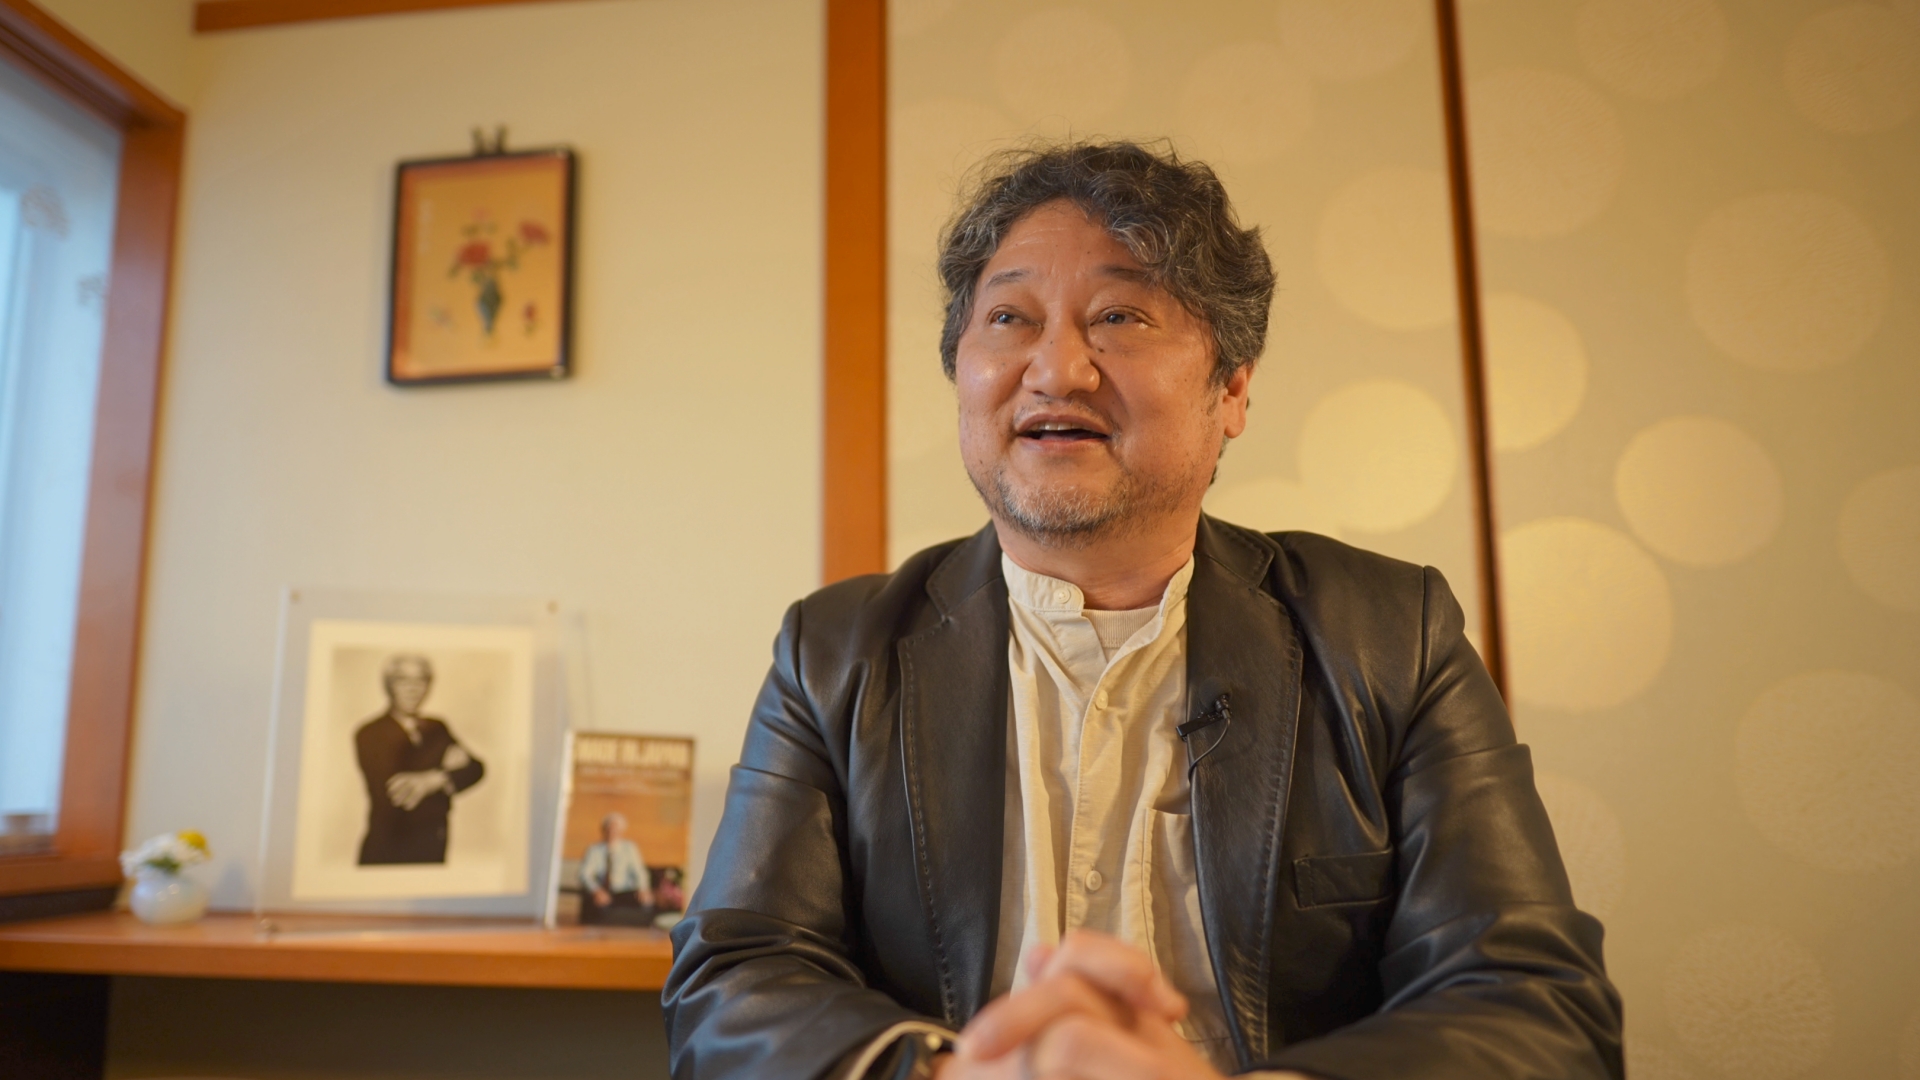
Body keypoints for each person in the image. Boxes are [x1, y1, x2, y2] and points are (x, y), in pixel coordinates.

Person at [664, 142, 1622, 1079]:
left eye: (1119, 316)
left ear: (1232, 388)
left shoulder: (1391, 635)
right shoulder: (836, 653)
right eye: (1009, 318)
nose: (1056, 370)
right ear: (961, 370)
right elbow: (732, 979)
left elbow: (1535, 1006)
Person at [355, 654, 486, 865]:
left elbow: (476, 768)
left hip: (435, 845)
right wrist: (445, 771)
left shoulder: (438, 727)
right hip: (388, 851)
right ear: (389, 685)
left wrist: (432, 779)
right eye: (403, 680)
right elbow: (396, 791)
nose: (412, 689)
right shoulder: (369, 733)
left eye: (420, 680)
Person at [579, 811, 656, 926]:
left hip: (624, 892)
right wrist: (596, 890)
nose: (612, 832)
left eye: (615, 829)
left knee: (646, 904)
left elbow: (639, 871)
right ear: (604, 830)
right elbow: (584, 874)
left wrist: (643, 888)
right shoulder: (594, 850)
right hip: (603, 892)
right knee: (599, 910)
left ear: (621, 831)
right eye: (609, 829)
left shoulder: (629, 848)